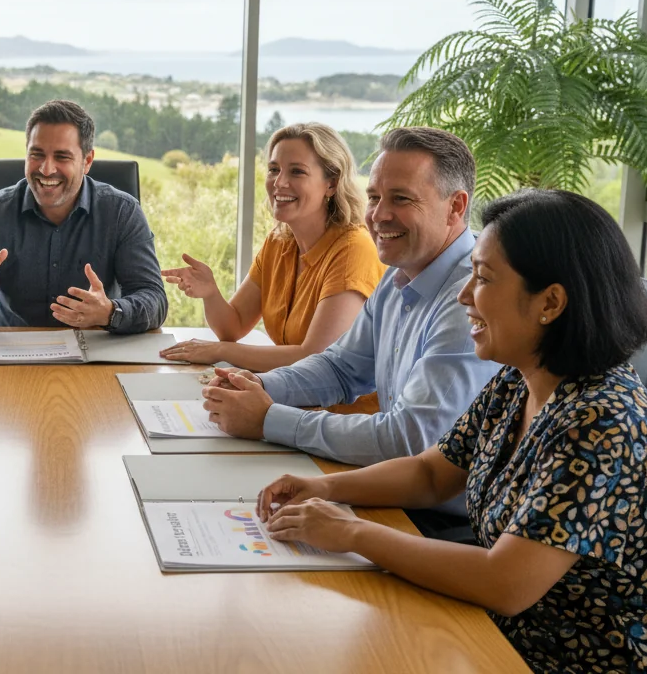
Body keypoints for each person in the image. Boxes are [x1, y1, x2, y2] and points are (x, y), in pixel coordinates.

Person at [256, 189, 647, 674]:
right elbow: (433, 472)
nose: (463, 296)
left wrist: (351, 530)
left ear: (551, 302)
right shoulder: (521, 378)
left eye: (482, 278)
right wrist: (325, 486)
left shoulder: (604, 423)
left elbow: (506, 583)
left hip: (570, 660)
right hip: (495, 633)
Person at [200, 126, 502, 529]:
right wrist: (256, 388)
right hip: (390, 493)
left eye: (401, 199)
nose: (378, 215)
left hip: (441, 522)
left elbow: (410, 440)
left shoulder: (472, 296)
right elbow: (341, 367)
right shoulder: (402, 273)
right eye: (375, 197)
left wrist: (269, 419)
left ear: (456, 206)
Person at [160, 122, 385, 414]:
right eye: (274, 169)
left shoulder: (353, 249)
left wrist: (219, 351)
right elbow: (232, 327)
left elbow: (314, 359)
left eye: (297, 171)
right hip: (294, 405)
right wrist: (211, 293)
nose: (279, 183)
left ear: (331, 183)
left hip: (343, 420)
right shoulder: (279, 242)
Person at [0, 99, 167, 333]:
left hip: (95, 353)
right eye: (36, 154)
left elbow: (154, 300)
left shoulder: (122, 212)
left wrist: (111, 312)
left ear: (87, 161)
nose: (46, 169)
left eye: (62, 157)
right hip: (11, 355)